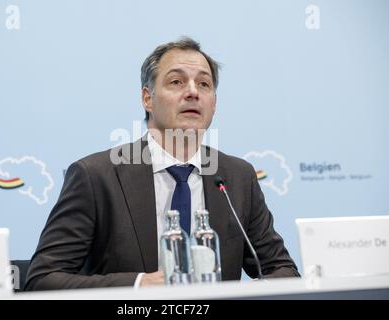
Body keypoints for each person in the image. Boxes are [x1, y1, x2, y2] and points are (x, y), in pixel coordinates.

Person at [25, 37, 299, 290]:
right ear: (147, 99)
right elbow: (42, 279)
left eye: (204, 84)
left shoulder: (237, 177)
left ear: (214, 103)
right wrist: (138, 285)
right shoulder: (96, 177)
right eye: (177, 82)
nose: (193, 92)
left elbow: (283, 270)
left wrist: (239, 293)